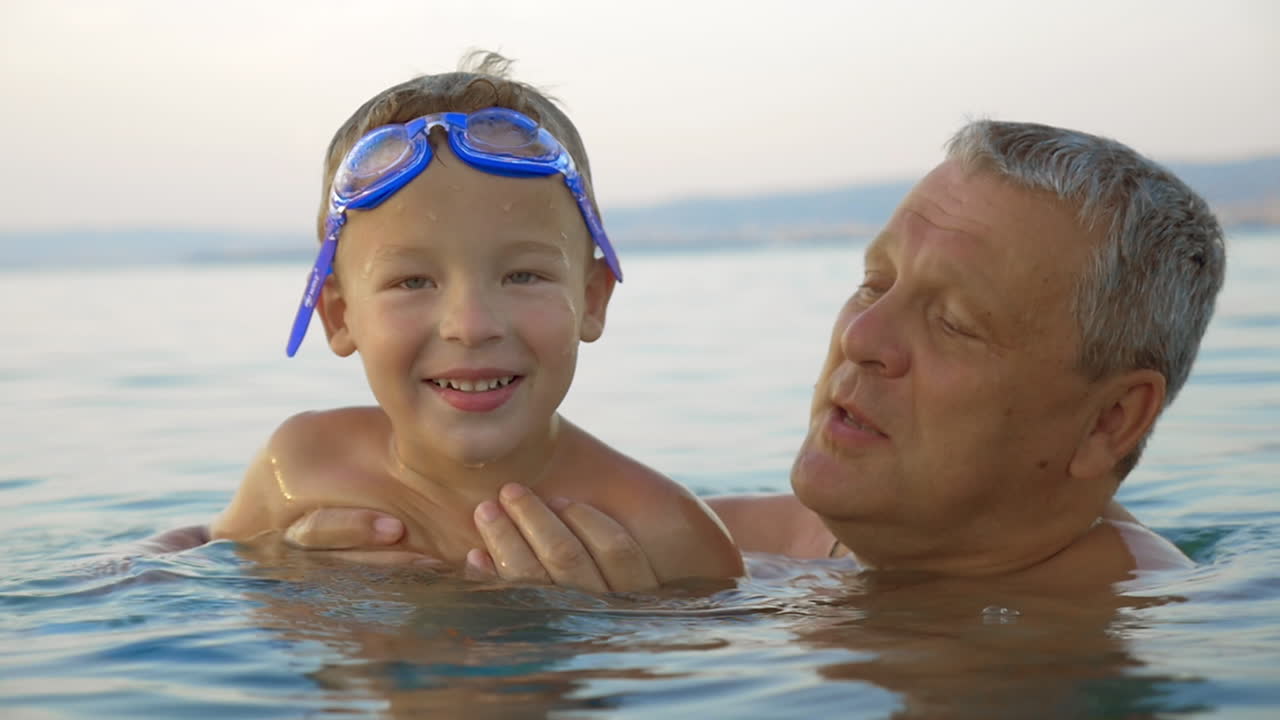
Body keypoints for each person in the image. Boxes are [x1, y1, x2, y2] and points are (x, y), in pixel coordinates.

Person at [279, 119, 1224, 592]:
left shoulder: (1121, 627)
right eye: (872, 282)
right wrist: (308, 564)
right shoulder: (768, 545)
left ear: (1112, 420)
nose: (861, 338)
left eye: (954, 321)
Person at [205, 51, 743, 586]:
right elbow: (203, 580)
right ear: (340, 316)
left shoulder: (666, 532)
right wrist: (286, 574)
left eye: (523, 276)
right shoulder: (299, 470)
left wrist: (618, 629)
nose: (471, 324)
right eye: (412, 282)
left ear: (593, 299)